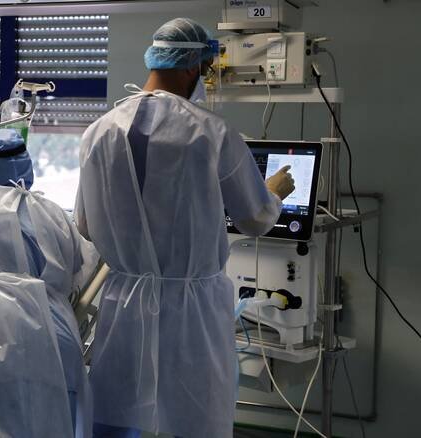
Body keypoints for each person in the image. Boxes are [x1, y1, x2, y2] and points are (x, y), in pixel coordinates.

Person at [74, 18, 295, 438]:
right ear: (193, 65)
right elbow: (255, 218)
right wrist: (273, 193)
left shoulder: (97, 132)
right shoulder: (210, 132)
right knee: (196, 416)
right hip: (192, 310)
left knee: (118, 412)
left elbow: (85, 225)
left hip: (125, 302)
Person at [0, 128, 98, 438]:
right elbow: (78, 267)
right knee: (58, 424)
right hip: (58, 330)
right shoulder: (54, 213)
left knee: (0, 426)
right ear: (27, 164)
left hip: (1, 330)